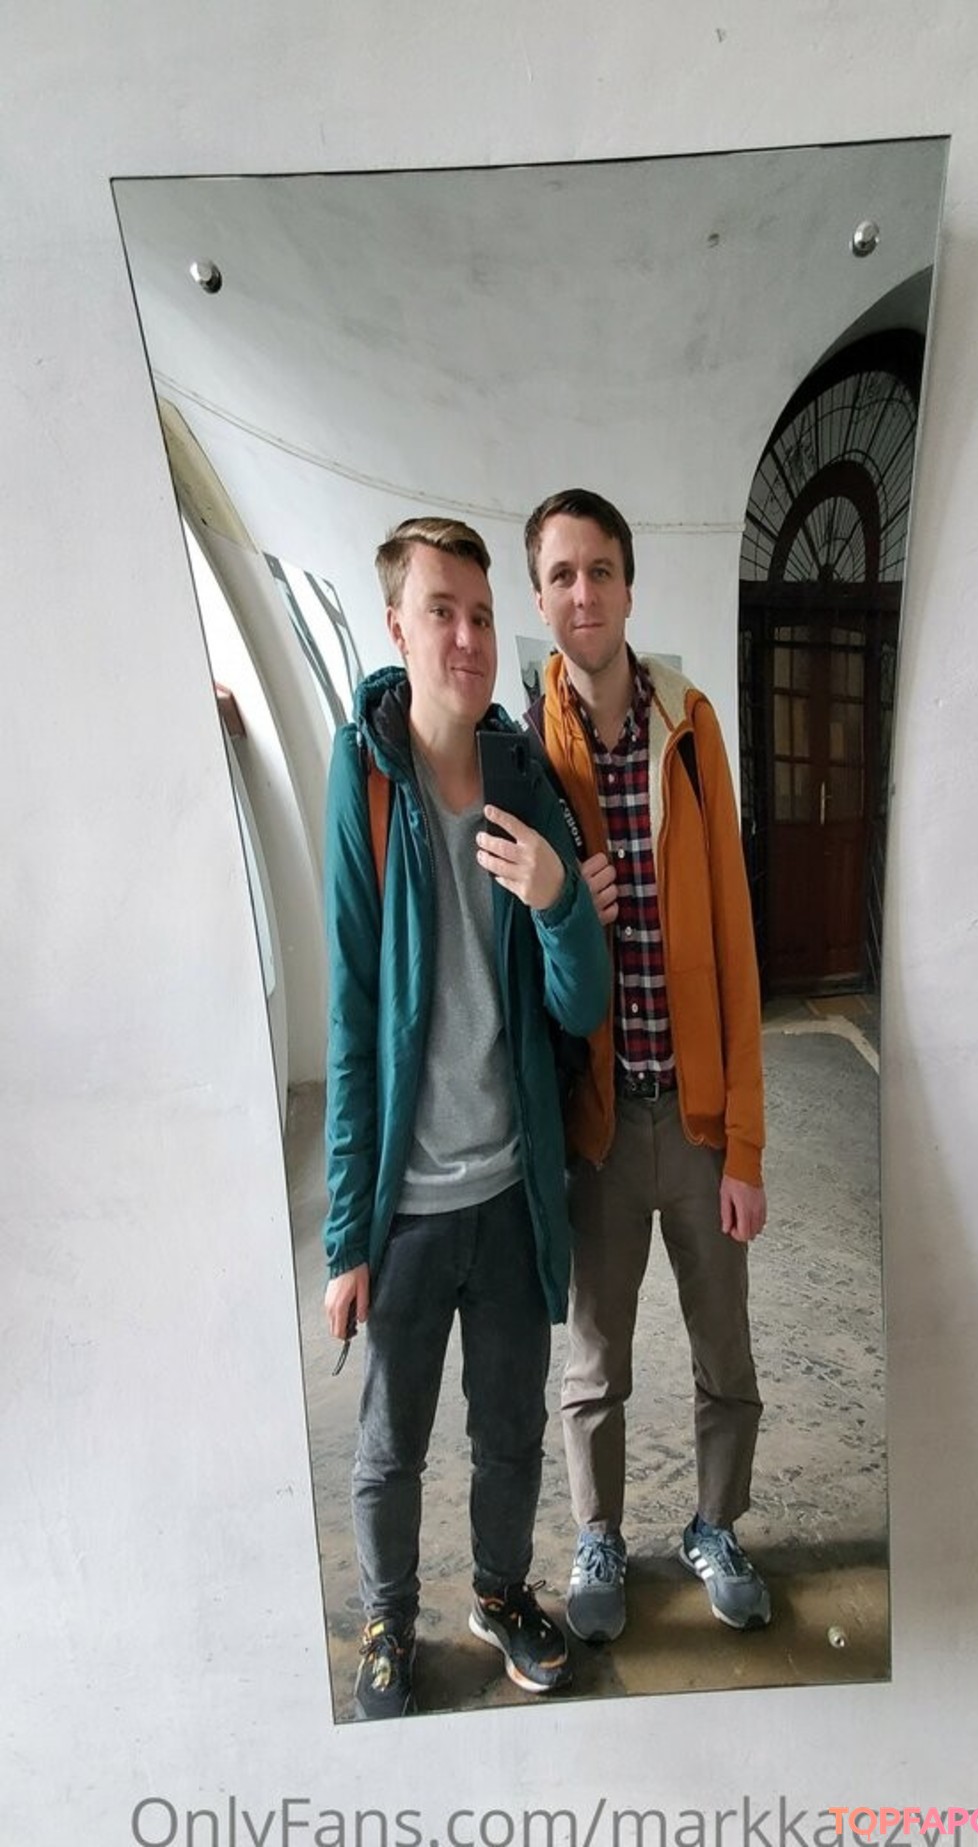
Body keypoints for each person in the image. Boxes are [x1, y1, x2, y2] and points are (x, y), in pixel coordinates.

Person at [322, 515, 609, 1720]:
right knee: (390, 1445)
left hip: (508, 1191)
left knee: (509, 1434)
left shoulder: (523, 780)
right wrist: (347, 1233)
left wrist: (556, 898)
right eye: (442, 611)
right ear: (398, 625)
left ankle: (500, 1592)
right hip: (407, 1205)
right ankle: (389, 1619)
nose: (468, 637)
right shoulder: (364, 779)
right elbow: (351, 1011)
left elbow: (581, 1000)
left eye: (483, 614)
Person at [522, 487, 769, 1645]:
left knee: (727, 1352)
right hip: (601, 1125)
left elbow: (736, 947)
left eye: (601, 570)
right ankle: (600, 1533)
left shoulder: (692, 730)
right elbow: (511, 957)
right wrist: (568, 911)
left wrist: (746, 1144)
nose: (585, 593)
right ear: (541, 597)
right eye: (562, 574)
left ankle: (715, 1524)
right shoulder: (524, 755)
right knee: (594, 1365)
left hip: (701, 1119)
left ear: (629, 584)